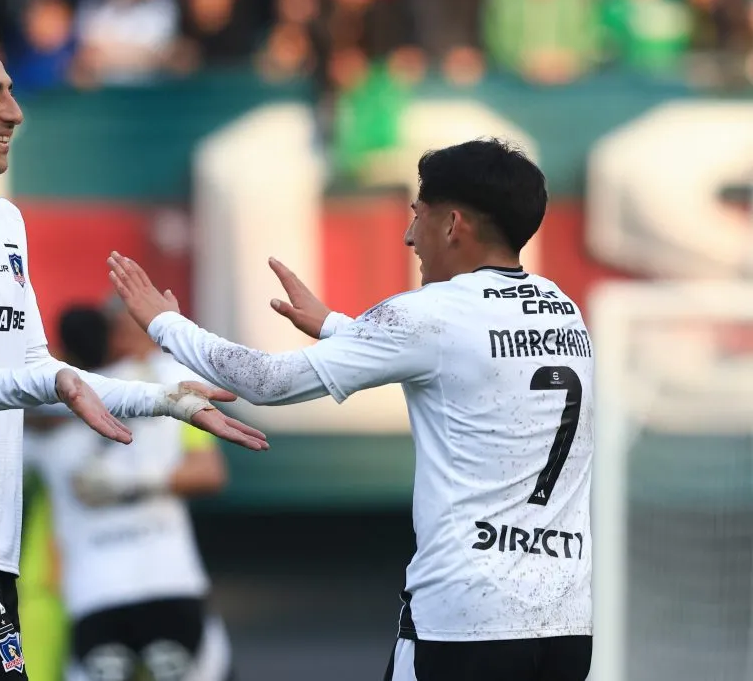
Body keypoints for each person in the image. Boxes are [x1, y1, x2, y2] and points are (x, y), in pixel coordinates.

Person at [0, 23, 266, 681]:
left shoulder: (5, 224)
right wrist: (43, 387)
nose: (14, 109)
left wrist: (164, 400)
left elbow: (41, 368)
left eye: (10, 91)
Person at [108, 139, 594, 681]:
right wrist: (343, 330)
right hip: (564, 624)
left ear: (453, 224)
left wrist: (164, 326)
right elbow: (463, 353)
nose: (411, 237)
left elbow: (269, 383)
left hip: (465, 620)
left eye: (418, 215)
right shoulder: (563, 310)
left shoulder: (432, 311)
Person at [27, 299, 233, 681]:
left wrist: (132, 483)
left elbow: (209, 472)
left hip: (104, 595)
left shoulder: (48, 419)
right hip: (146, 590)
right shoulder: (164, 385)